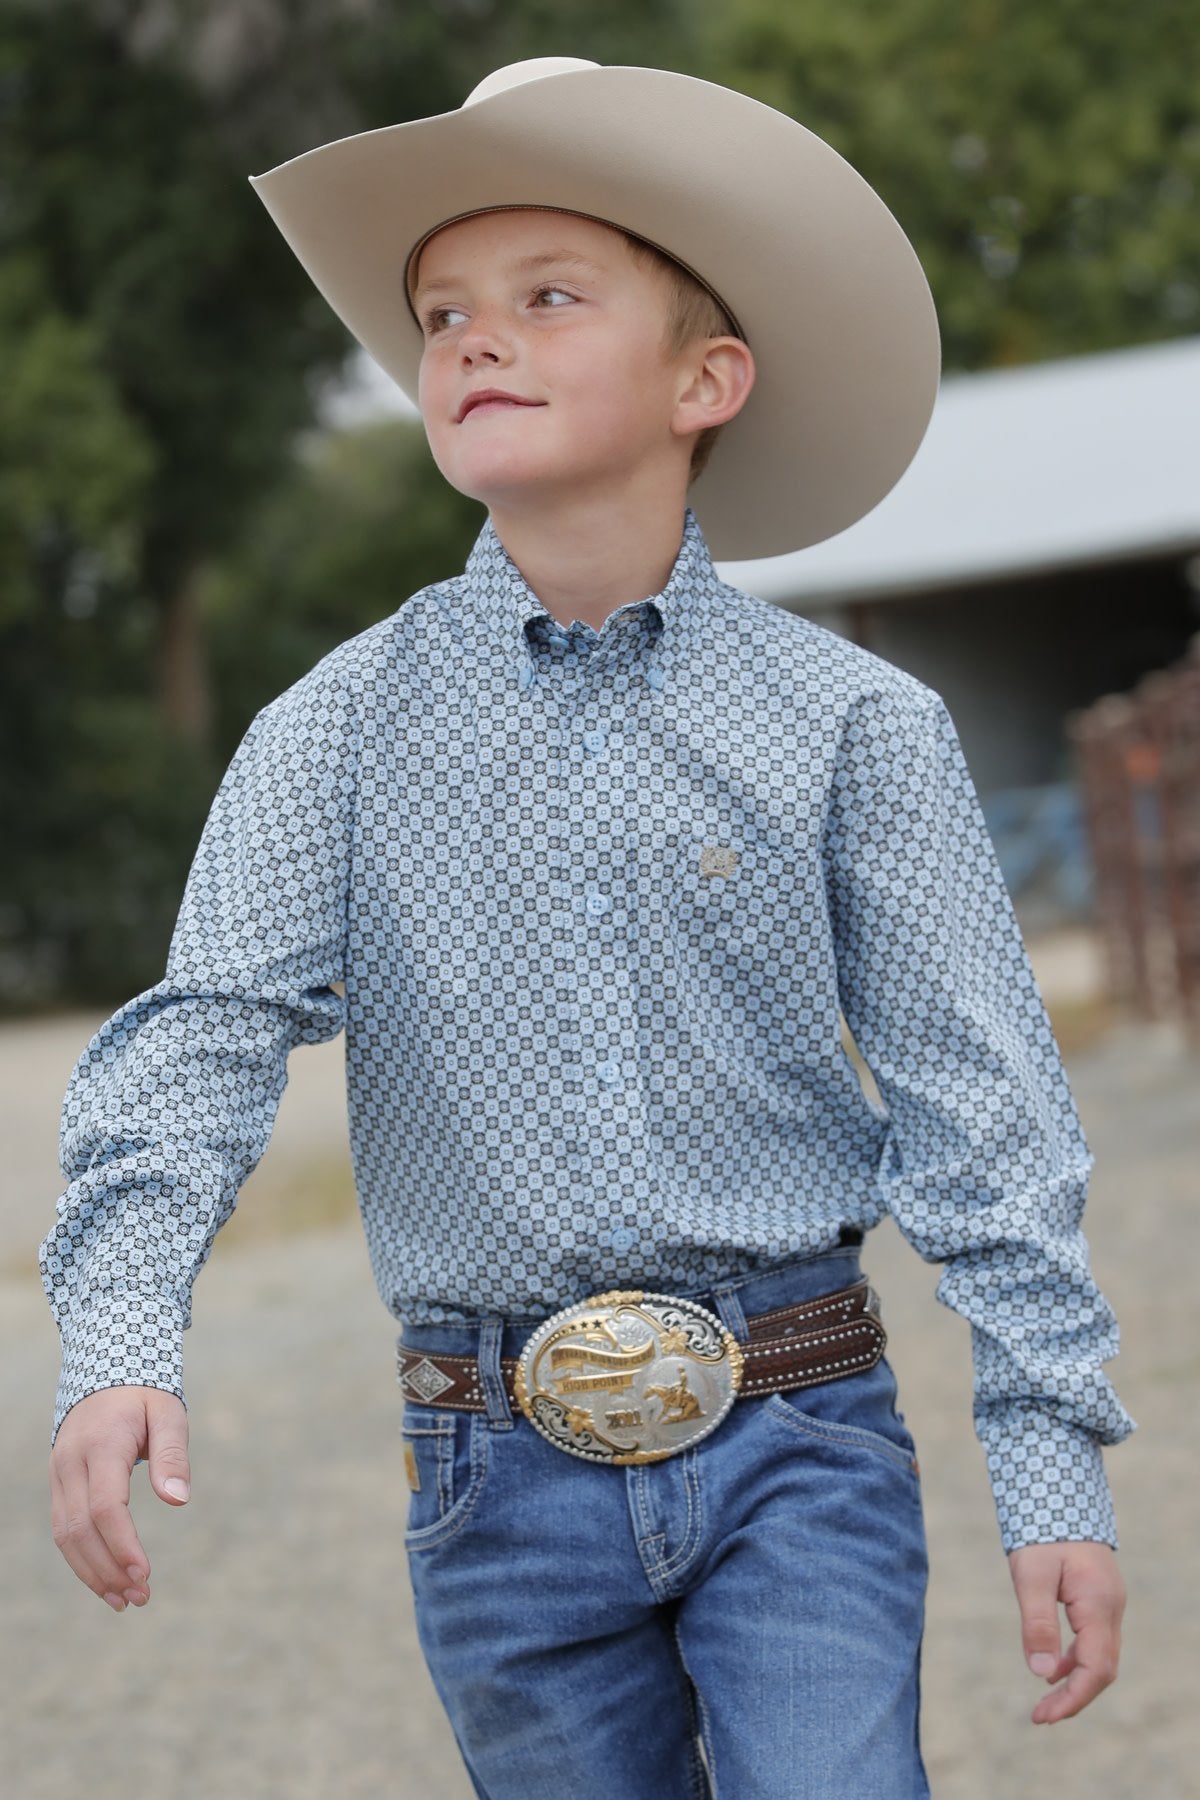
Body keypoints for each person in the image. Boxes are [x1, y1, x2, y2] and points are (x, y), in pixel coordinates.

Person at [41, 55, 1133, 1799]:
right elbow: (200, 1047)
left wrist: (1053, 1473)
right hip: (492, 1467)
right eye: (441, 313)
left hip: (799, 1431)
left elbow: (986, 1119)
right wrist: (115, 1350)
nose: (473, 339)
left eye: (548, 298)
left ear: (709, 377)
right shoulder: (332, 726)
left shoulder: (855, 726)